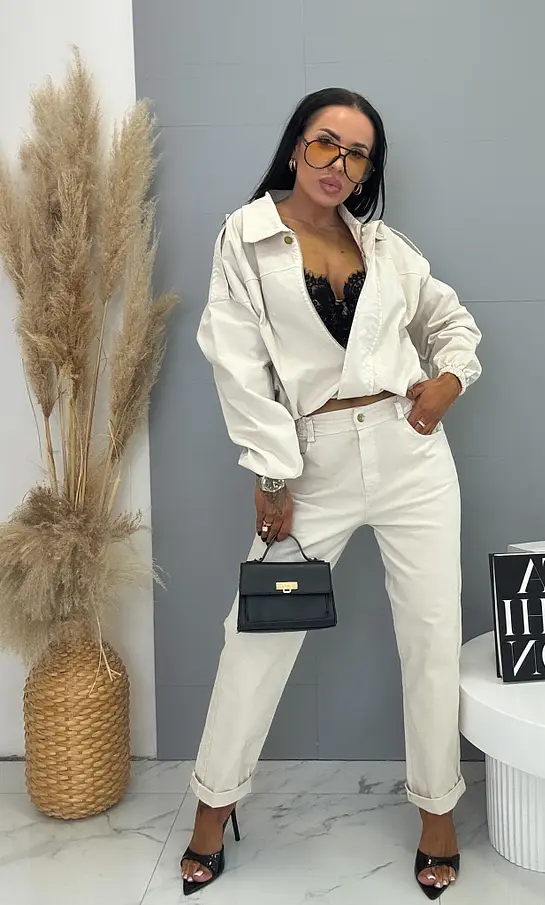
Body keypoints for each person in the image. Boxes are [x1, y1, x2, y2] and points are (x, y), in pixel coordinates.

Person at [180, 87, 482, 899]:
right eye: (325, 143)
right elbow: (237, 364)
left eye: (356, 155)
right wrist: (271, 471)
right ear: (294, 147)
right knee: (255, 633)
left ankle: (437, 810)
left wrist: (449, 379)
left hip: (410, 450)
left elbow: (451, 321)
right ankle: (212, 804)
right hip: (310, 461)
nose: (338, 164)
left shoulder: (385, 246)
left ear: (366, 170)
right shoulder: (245, 238)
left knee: (430, 633)